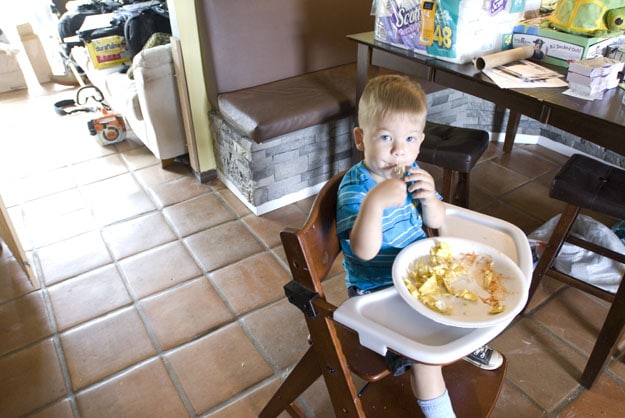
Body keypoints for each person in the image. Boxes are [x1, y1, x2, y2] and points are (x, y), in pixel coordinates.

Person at [336, 74, 499, 417]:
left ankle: (465, 341)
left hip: (417, 275)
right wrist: (374, 204)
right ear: (360, 139)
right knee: (427, 362)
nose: (399, 149)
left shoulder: (412, 172)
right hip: (377, 289)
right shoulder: (356, 190)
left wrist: (430, 199)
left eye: (409, 138)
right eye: (385, 137)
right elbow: (363, 252)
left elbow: (438, 219)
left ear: (420, 142)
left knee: (472, 287)